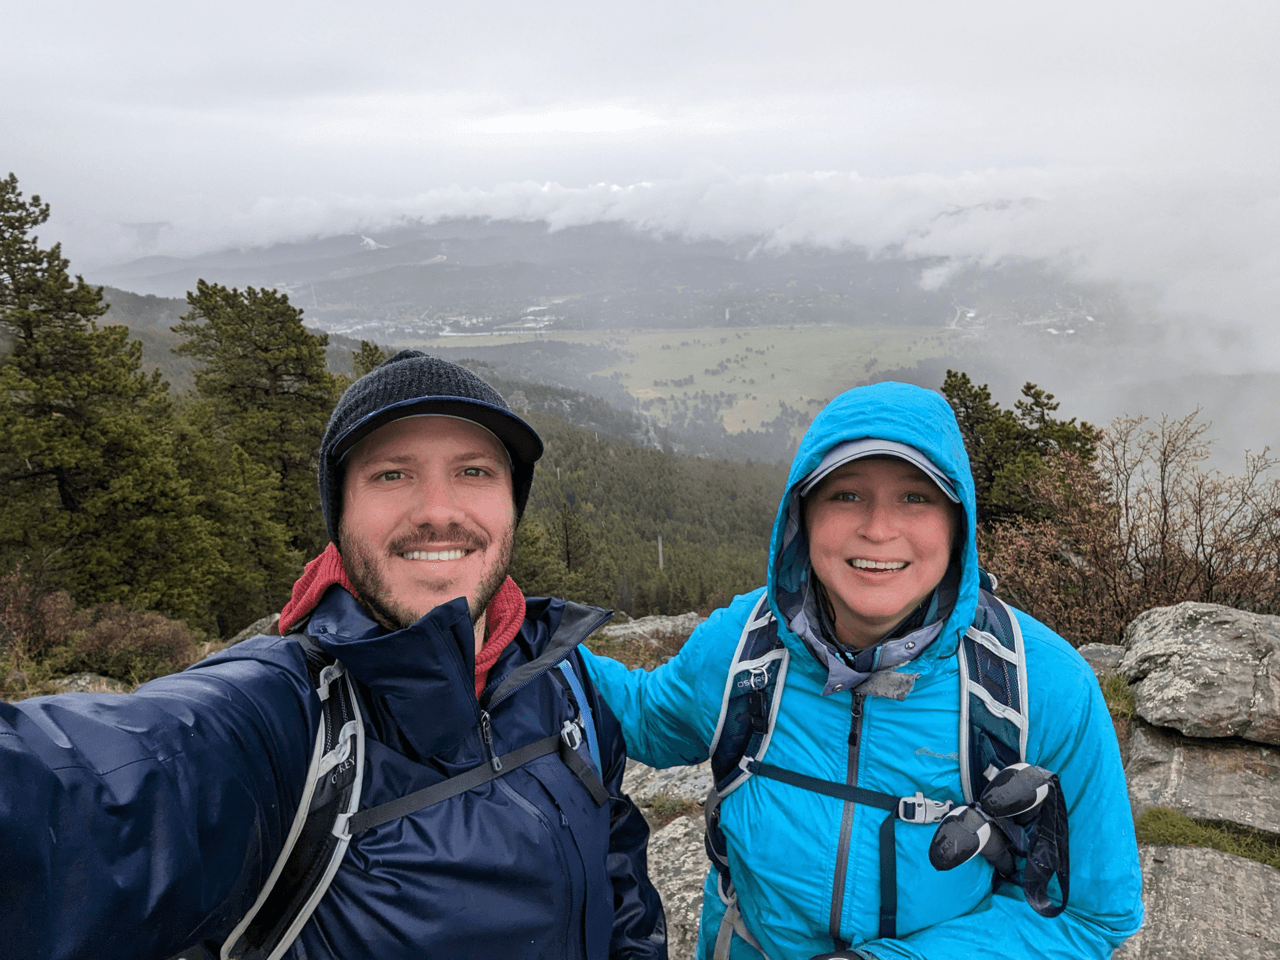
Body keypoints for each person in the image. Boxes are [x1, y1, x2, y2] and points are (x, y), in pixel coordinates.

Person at [0, 351, 667, 960]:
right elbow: (84, 793)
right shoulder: (282, 722)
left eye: (474, 471)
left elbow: (616, 863)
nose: (438, 509)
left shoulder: (562, 675)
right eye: (391, 474)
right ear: (340, 514)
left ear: (512, 503)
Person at [582, 381, 1143, 960]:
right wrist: (529, 636)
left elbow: (1091, 917)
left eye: (916, 498)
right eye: (846, 495)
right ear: (802, 517)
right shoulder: (743, 646)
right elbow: (644, 719)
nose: (879, 529)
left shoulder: (1041, 683)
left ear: (958, 525)